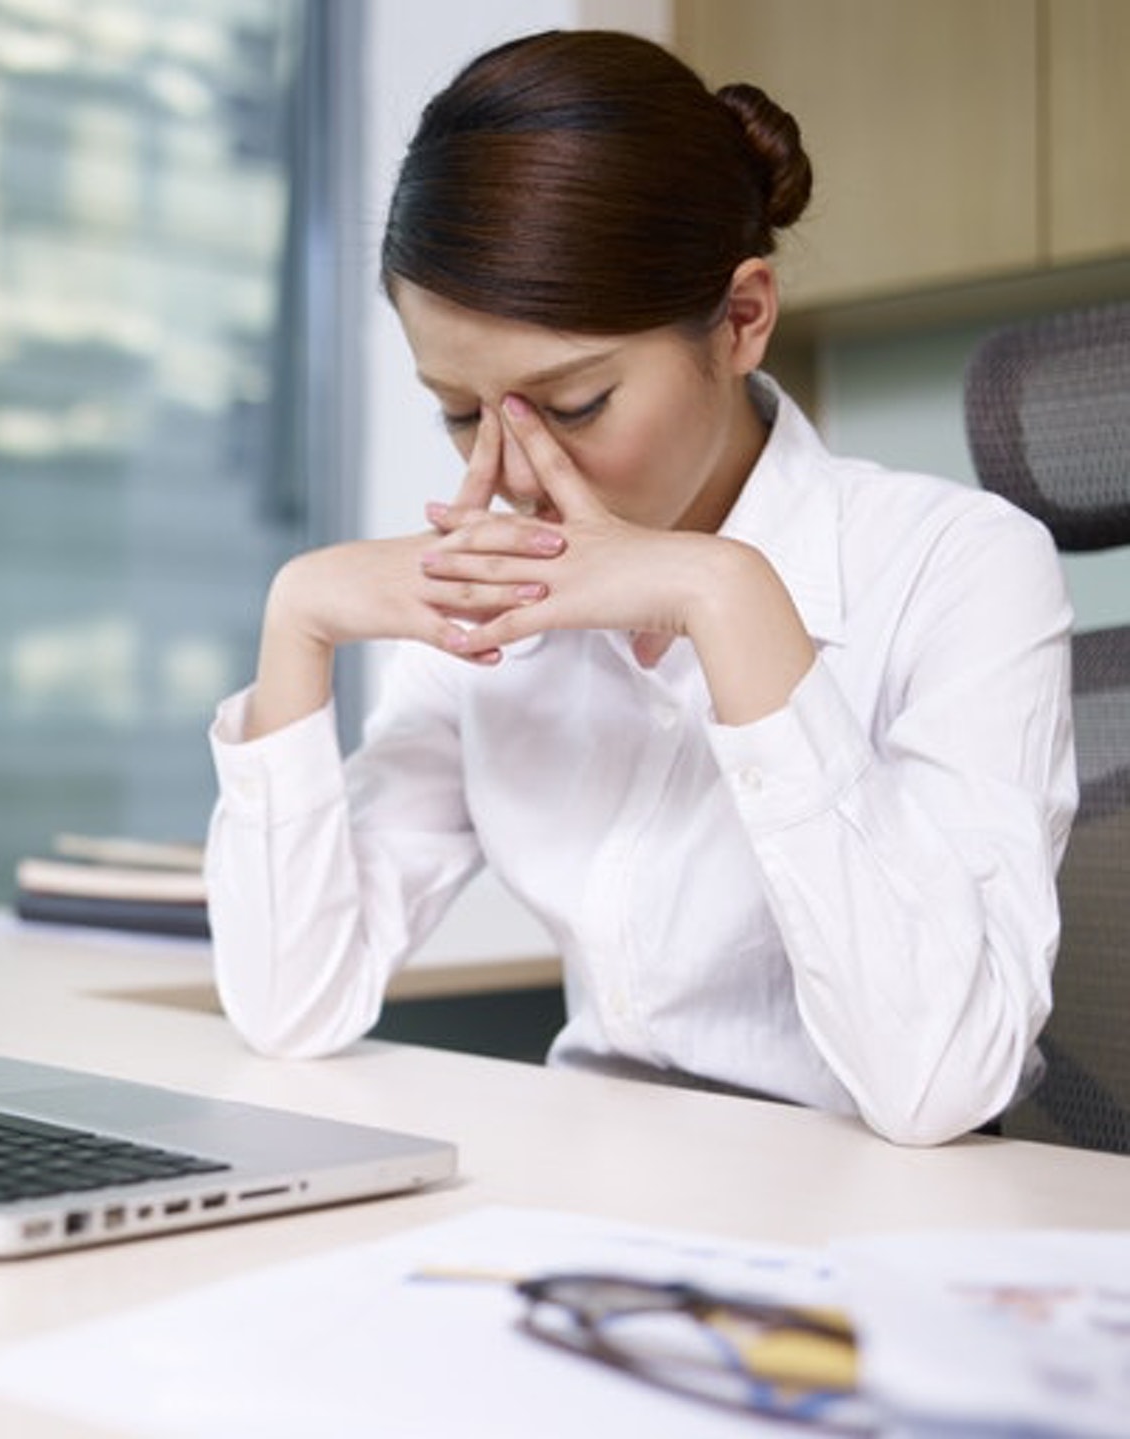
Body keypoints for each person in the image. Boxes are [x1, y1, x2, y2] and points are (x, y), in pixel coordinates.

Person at [202, 29, 1077, 1147]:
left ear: (743, 319)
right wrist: (298, 620)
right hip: (598, 1193)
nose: (511, 474)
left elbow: (939, 1084)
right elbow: (293, 1002)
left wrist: (727, 597)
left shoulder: (959, 567)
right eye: (461, 413)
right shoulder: (494, 594)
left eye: (572, 407)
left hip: (879, 1230)